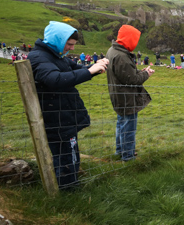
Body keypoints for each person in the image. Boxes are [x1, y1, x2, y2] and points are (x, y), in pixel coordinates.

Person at [28, 21, 109, 190]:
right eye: (70, 44)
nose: (72, 48)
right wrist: (90, 71)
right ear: (58, 39)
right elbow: (55, 80)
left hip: (63, 116)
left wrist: (95, 67)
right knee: (66, 156)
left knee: (69, 154)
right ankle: (68, 191)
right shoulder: (39, 57)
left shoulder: (55, 55)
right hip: (57, 118)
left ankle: (68, 186)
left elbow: (77, 69)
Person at [106, 25, 154, 162]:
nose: (136, 43)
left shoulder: (113, 50)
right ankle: (128, 156)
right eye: (135, 39)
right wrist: (146, 75)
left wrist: (141, 72)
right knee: (128, 127)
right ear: (129, 38)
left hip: (119, 96)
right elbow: (132, 80)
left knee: (121, 124)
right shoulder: (121, 56)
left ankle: (120, 151)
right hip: (127, 98)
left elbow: (126, 75)